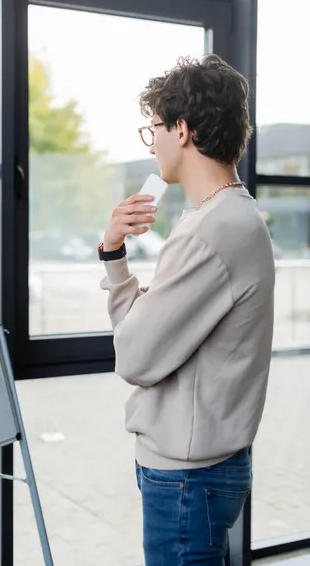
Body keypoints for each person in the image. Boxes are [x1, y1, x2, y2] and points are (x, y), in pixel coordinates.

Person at [98, 55, 275, 565]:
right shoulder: (229, 216)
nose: (150, 142)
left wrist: (113, 260)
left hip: (187, 478)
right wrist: (115, 254)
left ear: (182, 129)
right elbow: (149, 336)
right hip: (202, 472)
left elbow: (134, 357)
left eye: (153, 127)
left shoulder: (212, 229)